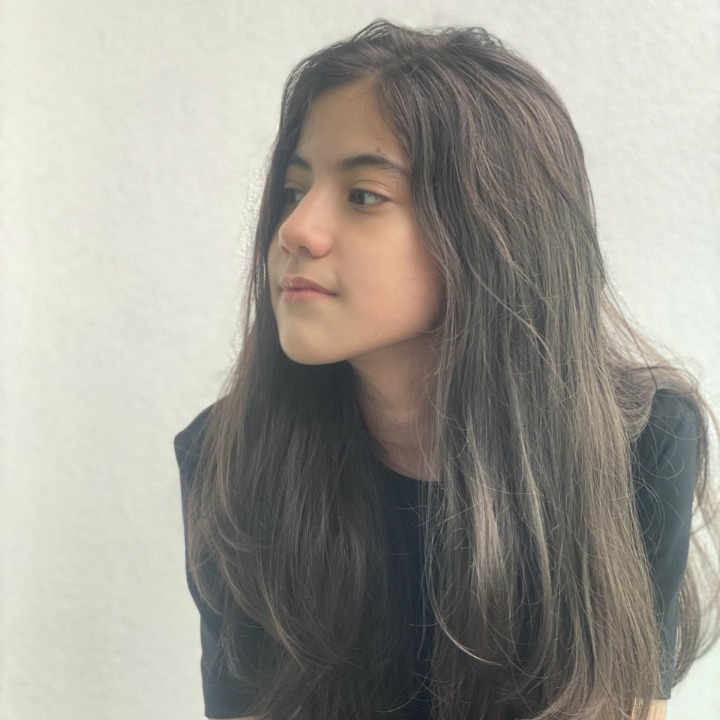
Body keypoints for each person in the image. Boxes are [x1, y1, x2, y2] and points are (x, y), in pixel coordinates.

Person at [173, 19, 720, 720]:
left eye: (364, 195)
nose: (294, 229)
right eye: (292, 190)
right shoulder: (231, 460)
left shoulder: (639, 444)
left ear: (491, 229)